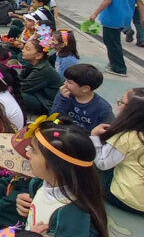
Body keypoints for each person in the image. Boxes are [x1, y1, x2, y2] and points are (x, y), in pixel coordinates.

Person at [13, 117, 108, 236]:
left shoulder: (73, 219)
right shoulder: (38, 184)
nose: (28, 153)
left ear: (55, 165)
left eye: (34, 150)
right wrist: (28, 208)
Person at [92, 87, 144, 215]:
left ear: (132, 110)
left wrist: (94, 137)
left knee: (89, 161)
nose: (119, 104)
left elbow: (103, 164)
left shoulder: (127, 136)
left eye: (122, 102)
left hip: (126, 198)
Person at [89, 0, 144, 77]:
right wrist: (143, 17)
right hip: (126, 18)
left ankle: (119, 68)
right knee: (114, 41)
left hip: (112, 18)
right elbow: (139, 2)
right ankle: (114, 63)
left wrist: (95, 13)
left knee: (112, 42)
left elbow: (108, 0)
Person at [50, 64, 114, 134]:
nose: (65, 84)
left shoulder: (103, 108)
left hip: (86, 140)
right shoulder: (64, 95)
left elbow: (107, 130)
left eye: (69, 82)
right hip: (63, 133)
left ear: (85, 88)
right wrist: (63, 100)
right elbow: (53, 118)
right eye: (66, 80)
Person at [19, 37, 63, 114]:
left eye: (27, 49)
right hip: (38, 94)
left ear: (38, 55)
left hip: (46, 102)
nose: (23, 50)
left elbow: (24, 87)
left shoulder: (43, 69)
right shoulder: (33, 63)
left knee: (18, 94)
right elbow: (21, 77)